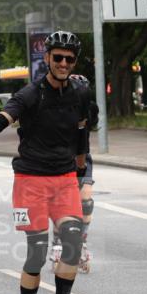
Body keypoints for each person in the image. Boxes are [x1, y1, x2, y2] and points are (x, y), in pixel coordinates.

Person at [0, 31, 92, 294]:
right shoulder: (29, 94)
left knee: (71, 242)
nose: (64, 64)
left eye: (70, 59)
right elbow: (2, 120)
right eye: (58, 58)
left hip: (65, 179)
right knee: (38, 252)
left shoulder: (80, 93)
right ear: (48, 59)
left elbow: (81, 135)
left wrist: (84, 174)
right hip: (30, 181)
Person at [50, 74, 99, 274]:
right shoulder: (56, 110)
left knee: (86, 201)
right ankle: (58, 244)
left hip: (82, 158)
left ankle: (82, 242)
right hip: (60, 160)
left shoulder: (89, 109)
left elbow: (92, 126)